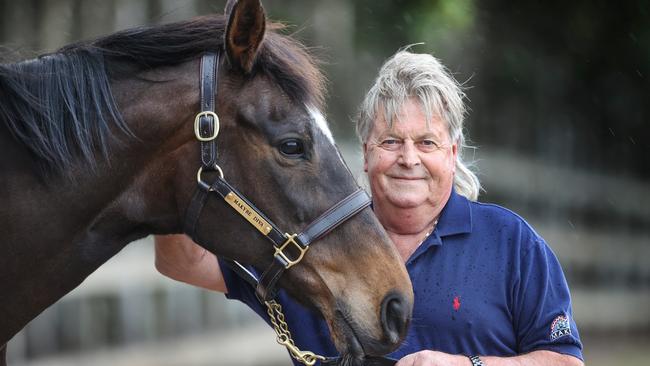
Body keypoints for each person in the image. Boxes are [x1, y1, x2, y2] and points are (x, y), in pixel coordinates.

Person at [155, 50, 584, 366]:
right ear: (365, 152)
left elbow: (566, 362)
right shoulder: (308, 243)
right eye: (391, 141)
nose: (409, 158)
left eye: (427, 143)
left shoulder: (511, 243)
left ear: (453, 153)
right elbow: (184, 263)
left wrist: (466, 365)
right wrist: (170, 155)